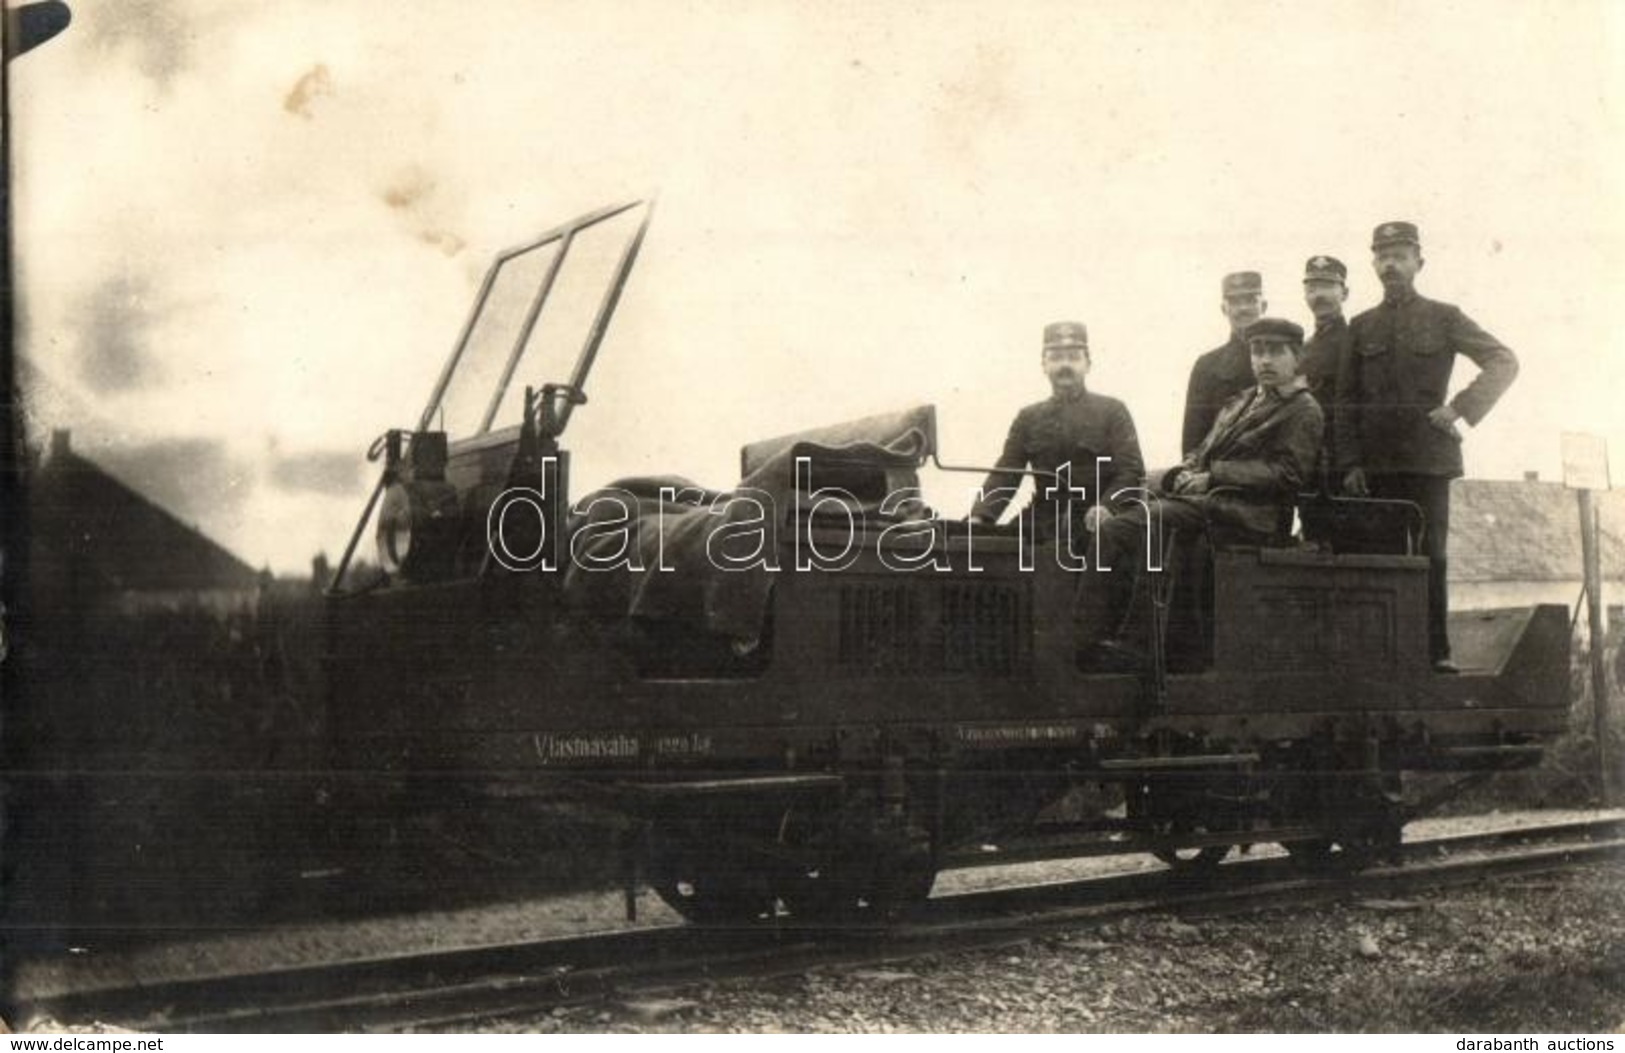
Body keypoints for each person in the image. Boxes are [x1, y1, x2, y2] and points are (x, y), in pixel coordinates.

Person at [1335, 221, 1519, 673]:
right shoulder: (1360, 327)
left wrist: (1458, 408)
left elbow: (1504, 360)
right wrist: (1350, 462)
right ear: (1373, 264)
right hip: (1375, 467)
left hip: (1427, 462)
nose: (1391, 263)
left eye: (1400, 254)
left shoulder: (1444, 316)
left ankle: (1437, 652)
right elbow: (1344, 401)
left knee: (1431, 555)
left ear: (1419, 261)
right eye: (1382, 255)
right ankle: (1381, 656)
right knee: (1376, 558)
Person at [1096, 317, 1323, 665]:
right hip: (1213, 505)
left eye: (1275, 352)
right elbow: (1202, 452)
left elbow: (1289, 474)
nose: (1264, 360)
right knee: (1115, 528)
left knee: (1155, 519)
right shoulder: (1242, 401)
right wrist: (1183, 472)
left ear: (1297, 358)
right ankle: (1092, 635)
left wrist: (1212, 477)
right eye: (1257, 351)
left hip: (1253, 517)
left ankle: (1140, 645)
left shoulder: (1303, 409)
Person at [971, 320, 1145, 542]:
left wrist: (1107, 506)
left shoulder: (1112, 411)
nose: (1065, 365)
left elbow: (1131, 471)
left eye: (1073, 357)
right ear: (1043, 365)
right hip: (1043, 520)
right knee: (997, 554)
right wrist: (980, 516)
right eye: (1055, 358)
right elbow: (1006, 472)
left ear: (1088, 364)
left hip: (1098, 523)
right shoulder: (1028, 417)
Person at [1181, 271, 1267, 455]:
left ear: (1264, 306)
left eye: (1250, 300)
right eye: (1235, 302)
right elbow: (1193, 437)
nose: (1243, 308)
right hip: (1219, 477)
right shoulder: (1207, 366)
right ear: (1223, 308)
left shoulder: (1287, 359)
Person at [1300, 254, 1351, 488]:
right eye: (1312, 288)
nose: (1319, 295)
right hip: (1308, 458)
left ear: (1345, 293)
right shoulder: (1302, 349)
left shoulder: (1356, 341)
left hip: (1346, 461)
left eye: (1328, 286)